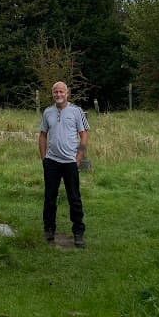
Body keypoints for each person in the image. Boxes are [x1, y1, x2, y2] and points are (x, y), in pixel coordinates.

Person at [39, 81, 89, 248]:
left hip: (70, 162)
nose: (58, 95)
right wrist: (44, 158)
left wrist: (79, 156)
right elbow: (42, 135)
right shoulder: (48, 112)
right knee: (50, 198)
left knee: (74, 198)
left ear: (67, 93)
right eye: (55, 92)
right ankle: (49, 230)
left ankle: (78, 233)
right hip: (52, 162)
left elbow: (83, 135)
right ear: (52, 94)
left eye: (61, 92)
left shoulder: (76, 112)